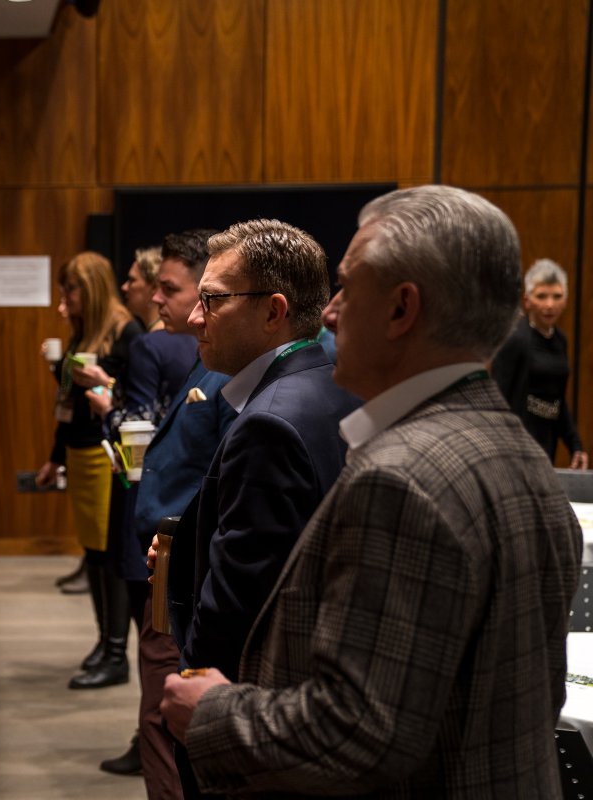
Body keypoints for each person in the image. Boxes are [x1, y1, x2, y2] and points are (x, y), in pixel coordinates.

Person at [163, 186, 582, 797]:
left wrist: (211, 712)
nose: (329, 313)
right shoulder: (522, 455)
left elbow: (355, 733)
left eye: (347, 288)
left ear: (400, 310)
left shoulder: (400, 479)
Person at [159, 219, 361, 797]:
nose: (195, 319)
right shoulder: (329, 383)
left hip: (251, 728)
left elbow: (238, 609)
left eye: (212, 301)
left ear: (274, 311)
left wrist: (196, 709)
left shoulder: (269, 422)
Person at [81, 237, 220, 783]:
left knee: (163, 706)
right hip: (175, 556)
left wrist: (109, 408)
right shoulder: (199, 358)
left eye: (170, 287)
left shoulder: (213, 367)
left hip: (182, 564)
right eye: (155, 286)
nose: (157, 298)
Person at [36, 251, 143, 690]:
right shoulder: (82, 332)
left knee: (108, 555)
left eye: (71, 290)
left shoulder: (126, 333)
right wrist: (55, 457)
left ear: (92, 288)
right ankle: (105, 643)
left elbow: (135, 403)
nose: (65, 300)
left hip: (107, 455)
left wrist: (101, 383)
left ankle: (117, 654)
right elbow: (68, 408)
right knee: (93, 555)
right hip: (79, 454)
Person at [492, 258, 588, 469]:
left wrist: (575, 445)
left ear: (566, 299)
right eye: (542, 296)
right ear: (527, 300)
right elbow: (497, 400)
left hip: (546, 448)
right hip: (515, 451)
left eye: (557, 296)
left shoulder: (560, 341)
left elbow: (557, 401)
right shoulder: (515, 339)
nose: (549, 305)